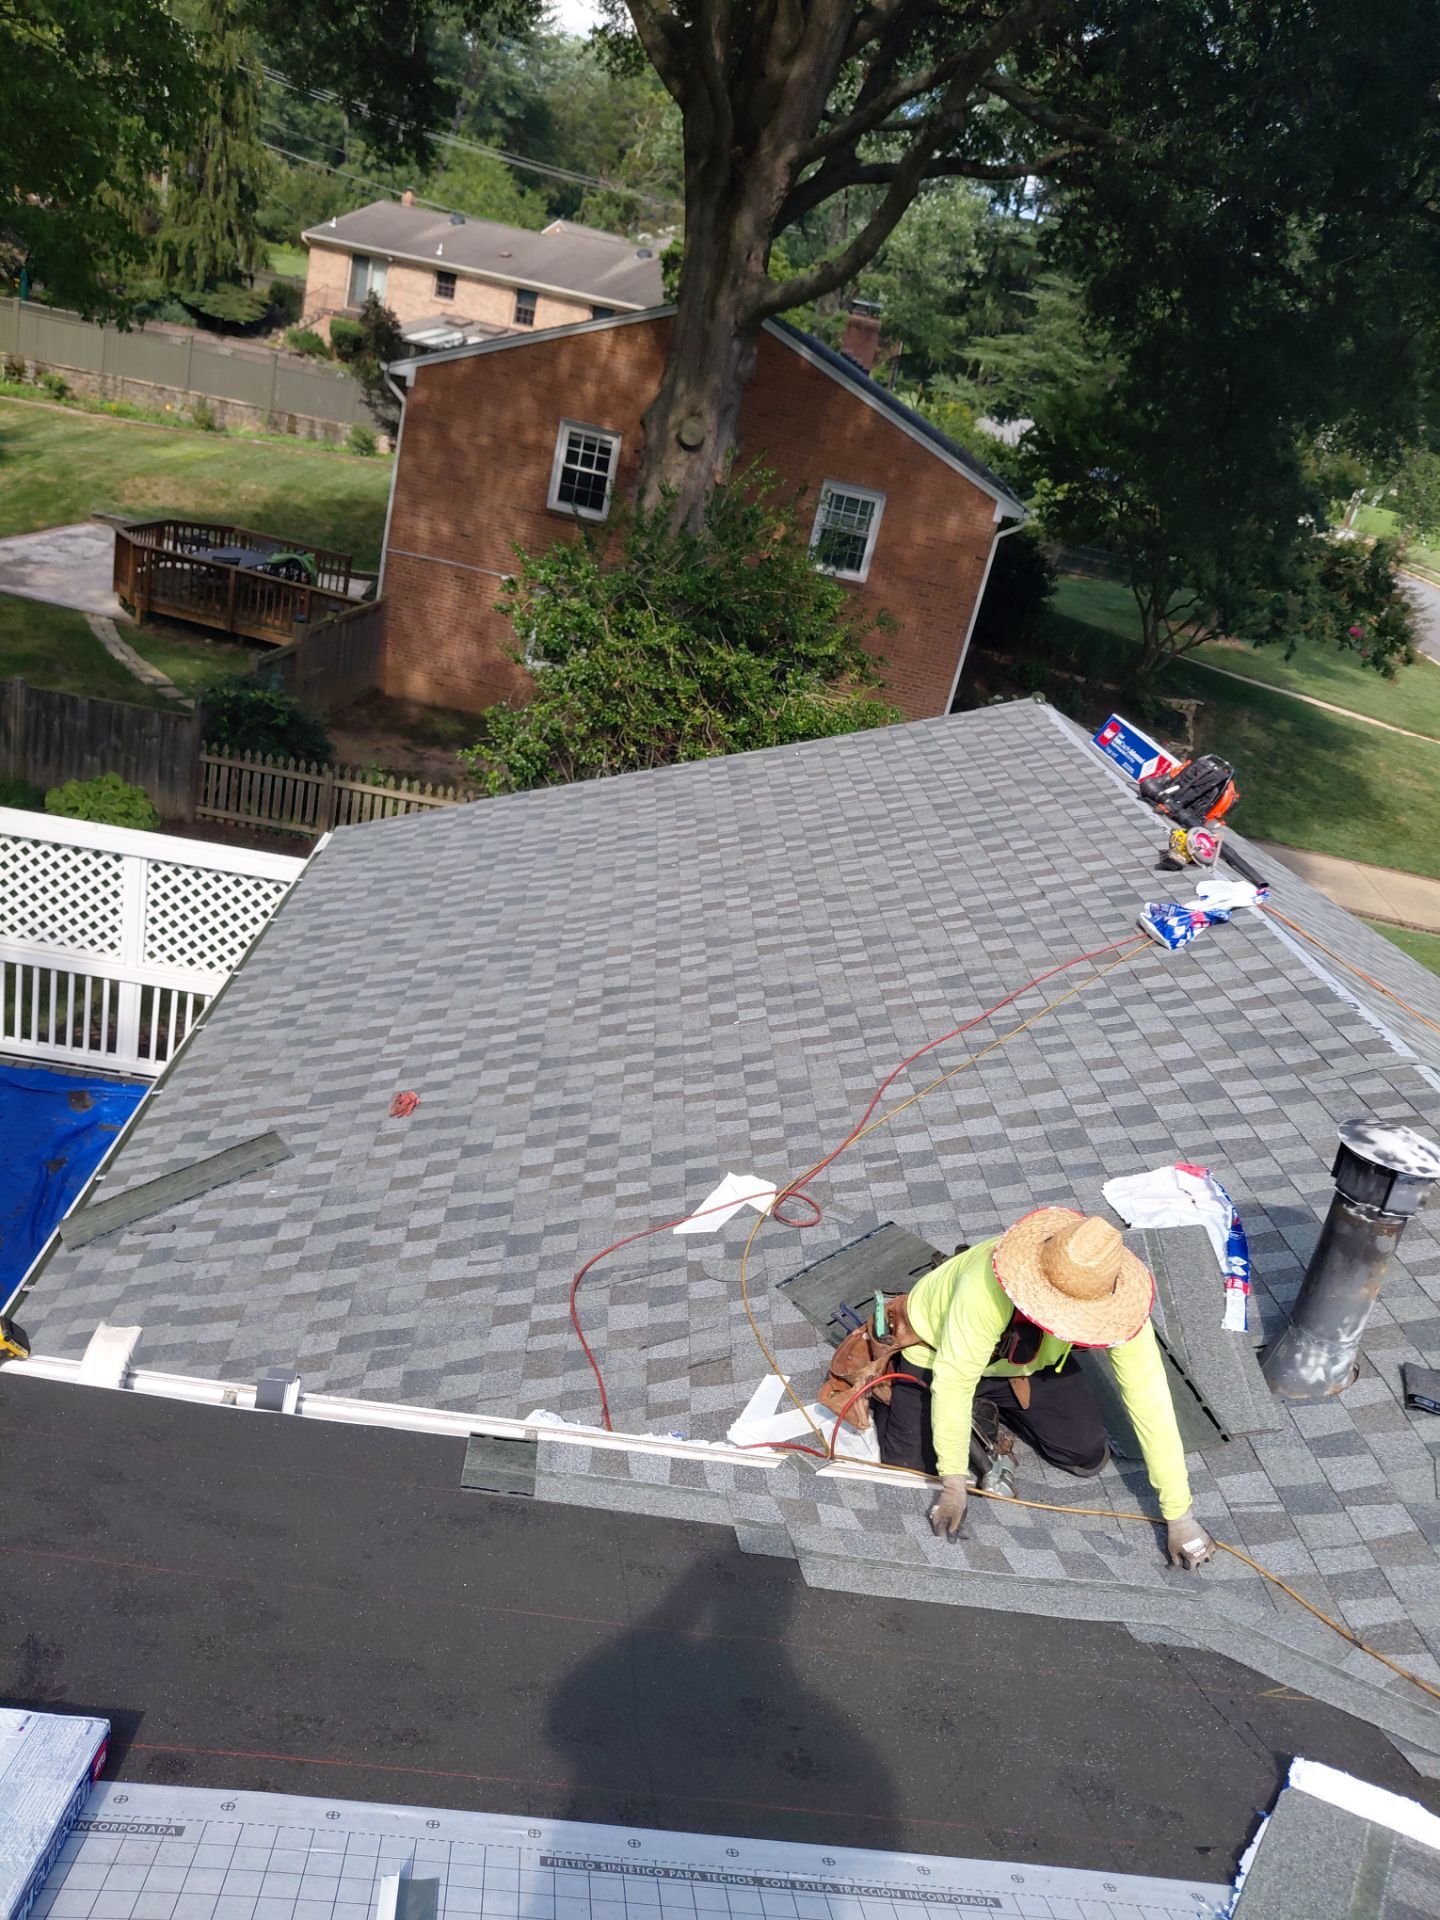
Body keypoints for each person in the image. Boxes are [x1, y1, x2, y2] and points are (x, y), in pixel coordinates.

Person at [872, 1209, 1216, 1570]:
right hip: (938, 1353)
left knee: (1086, 1456)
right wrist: (954, 1485)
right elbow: (955, 1381)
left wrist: (1180, 1516)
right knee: (908, 1470)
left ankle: (983, 1408)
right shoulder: (983, 1287)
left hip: (1024, 1363)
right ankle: (909, 1395)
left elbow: (1150, 1399)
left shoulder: (1121, 1302)